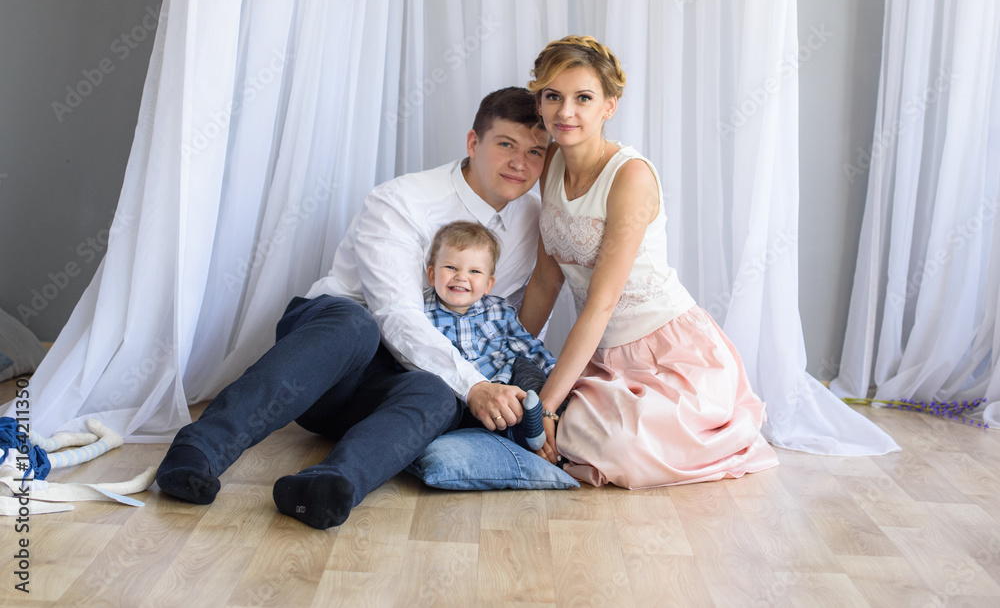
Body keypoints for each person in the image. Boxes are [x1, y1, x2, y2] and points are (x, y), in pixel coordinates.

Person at [155, 87, 550, 528]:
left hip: (388, 387)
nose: (520, 163)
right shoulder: (401, 200)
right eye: (506, 144)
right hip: (329, 360)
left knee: (438, 392)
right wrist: (474, 386)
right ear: (474, 143)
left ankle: (324, 487)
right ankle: (199, 449)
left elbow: (497, 321)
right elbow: (396, 316)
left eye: (535, 151)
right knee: (357, 323)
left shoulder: (533, 219)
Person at [518, 36, 779, 488]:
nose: (565, 113)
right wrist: (506, 356)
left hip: (668, 352)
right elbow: (546, 279)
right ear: (539, 102)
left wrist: (546, 408)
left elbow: (600, 304)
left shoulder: (630, 176)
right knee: (561, 428)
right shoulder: (552, 161)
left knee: (616, 445)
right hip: (603, 355)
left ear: (609, 106)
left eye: (583, 98)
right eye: (553, 97)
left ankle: (694, 431)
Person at [424, 220, 555, 450]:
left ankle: (540, 418)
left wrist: (558, 375)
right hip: (462, 396)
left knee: (526, 368)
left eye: (474, 271)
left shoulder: (499, 311)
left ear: (488, 284)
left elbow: (528, 346)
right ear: (432, 274)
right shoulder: (421, 314)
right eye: (451, 268)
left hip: (506, 384)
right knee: (445, 405)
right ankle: (519, 435)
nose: (461, 277)